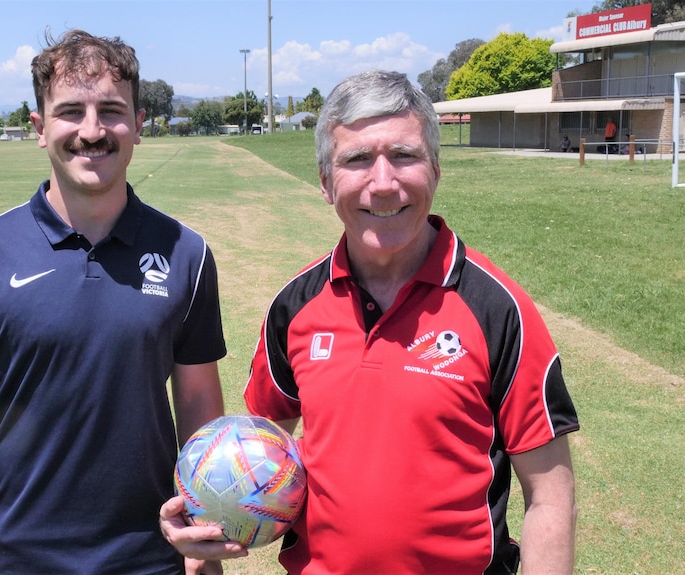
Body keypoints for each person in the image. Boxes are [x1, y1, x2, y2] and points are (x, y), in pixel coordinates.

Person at [160, 70, 579, 574]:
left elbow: (550, 497)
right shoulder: (294, 307)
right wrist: (209, 519)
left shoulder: (496, 309)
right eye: (357, 159)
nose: (383, 184)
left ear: (436, 169)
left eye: (404, 155)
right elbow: (256, 445)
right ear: (325, 182)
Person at [0, 30, 226, 575]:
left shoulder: (188, 254)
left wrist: (201, 533)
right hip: (20, 556)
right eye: (70, 112)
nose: (92, 131)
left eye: (111, 110)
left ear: (138, 125)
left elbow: (199, 402)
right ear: (40, 128)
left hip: (152, 555)